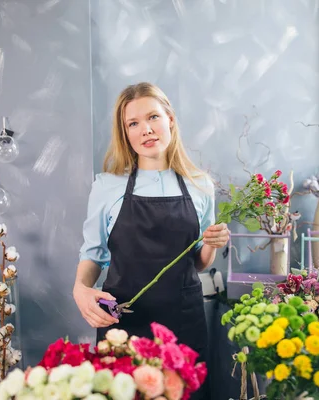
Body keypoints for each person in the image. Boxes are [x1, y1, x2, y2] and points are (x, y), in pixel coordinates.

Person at [73, 82, 230, 398]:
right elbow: (93, 254)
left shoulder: (200, 185)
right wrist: (80, 288)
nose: (146, 129)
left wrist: (212, 243)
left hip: (184, 324)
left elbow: (198, 262)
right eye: (133, 123)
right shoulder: (106, 186)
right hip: (125, 324)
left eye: (153, 117)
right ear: (125, 133)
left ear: (170, 119)